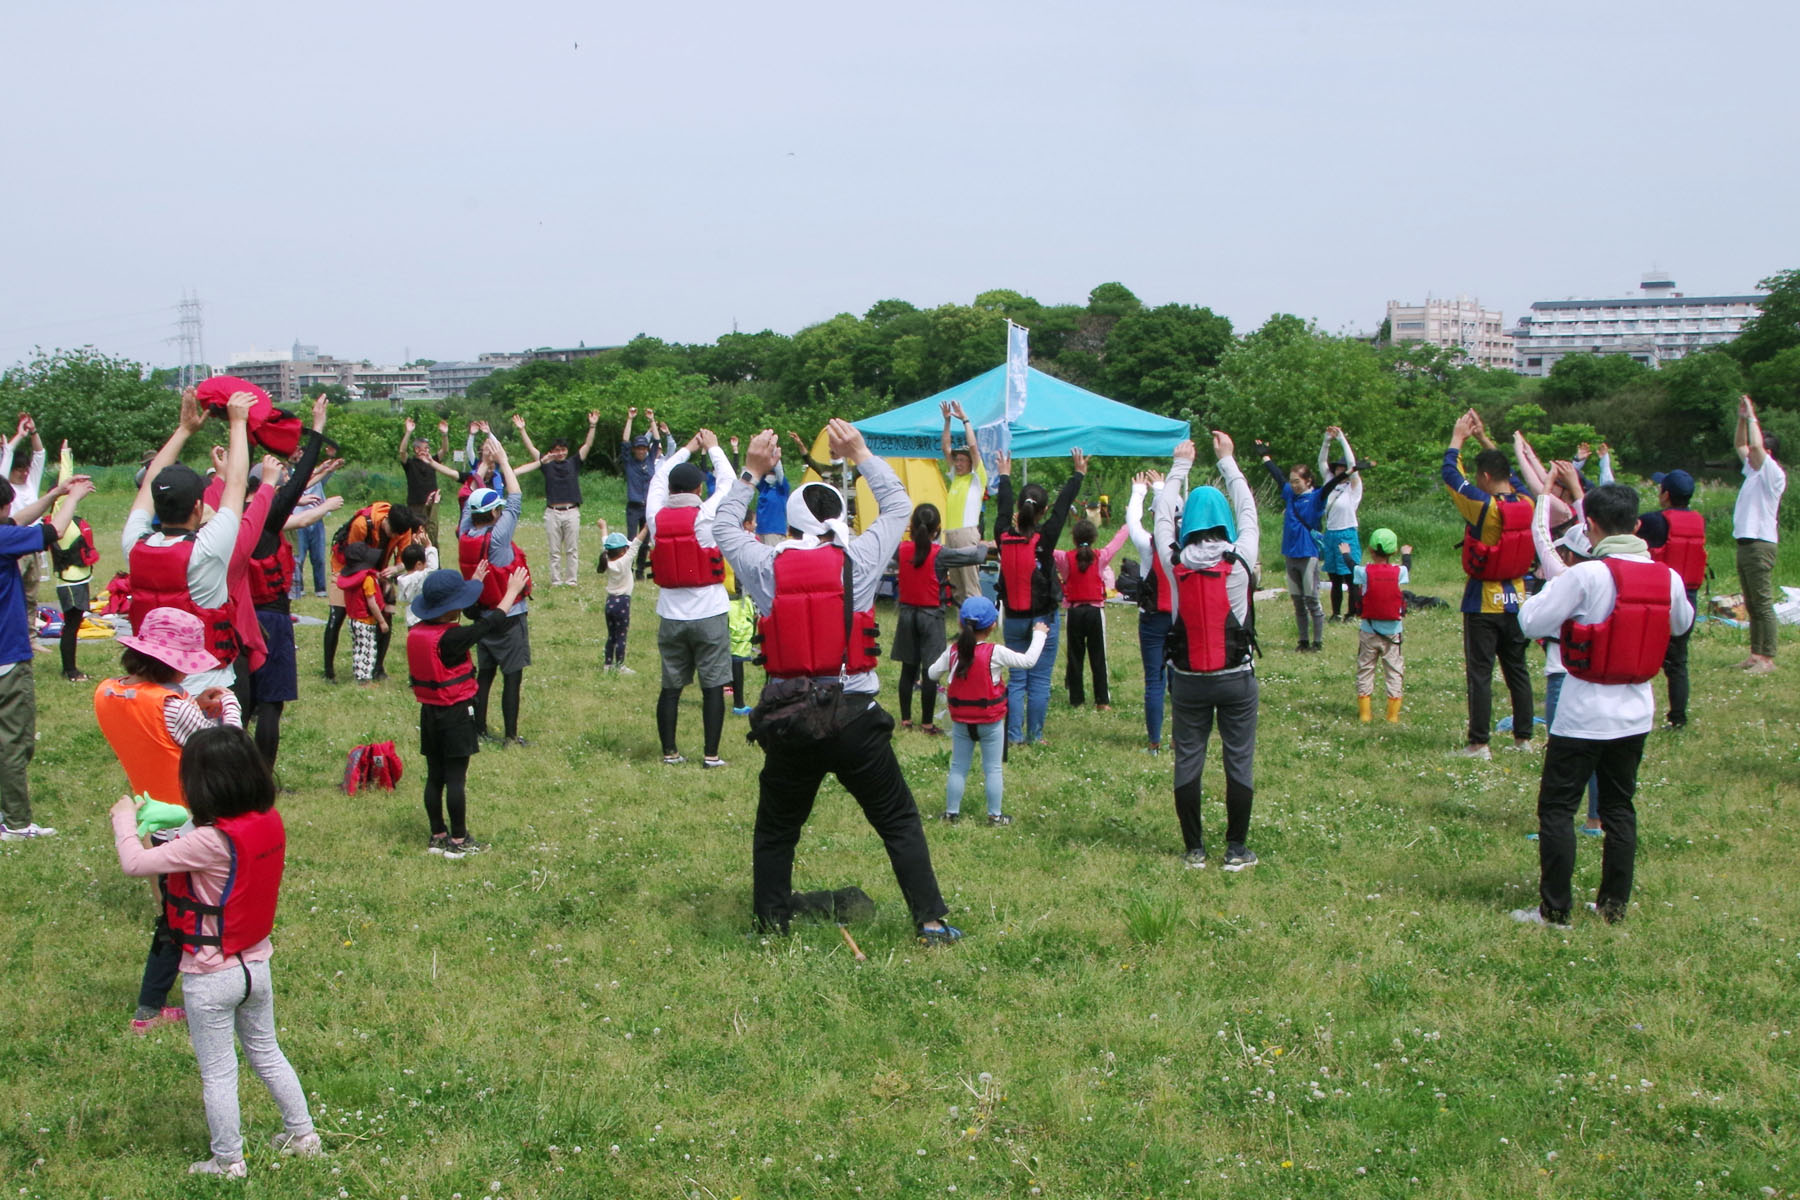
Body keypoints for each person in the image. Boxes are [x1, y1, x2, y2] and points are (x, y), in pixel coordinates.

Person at [715, 423, 960, 944]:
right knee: (898, 820)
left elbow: (724, 528)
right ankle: (931, 922)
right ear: (838, 518)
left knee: (777, 831)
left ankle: (771, 926)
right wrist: (863, 455)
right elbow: (898, 507)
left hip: (791, 719)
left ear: (794, 520)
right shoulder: (861, 559)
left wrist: (752, 472)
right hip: (853, 714)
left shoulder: (765, 564)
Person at [108, 726, 321, 1176]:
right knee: (267, 1052)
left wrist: (124, 818)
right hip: (255, 966)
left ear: (202, 786)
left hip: (210, 977)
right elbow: (207, 830)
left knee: (219, 1073)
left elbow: (134, 863)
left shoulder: (207, 842)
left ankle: (228, 1162)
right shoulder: (266, 822)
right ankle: (303, 1135)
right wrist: (174, 816)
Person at [1514, 482, 1693, 927]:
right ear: (1636, 525)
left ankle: (1555, 910)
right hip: (1634, 713)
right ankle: (1612, 907)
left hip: (1581, 714)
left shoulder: (1586, 574)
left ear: (1589, 526)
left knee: (1558, 808)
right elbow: (1681, 623)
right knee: (1618, 808)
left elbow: (1531, 620)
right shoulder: (1667, 577)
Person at [93, 608, 243, 1033]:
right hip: (192, 820)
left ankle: (160, 1001)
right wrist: (228, 704)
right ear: (171, 663)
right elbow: (227, 750)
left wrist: (195, 706)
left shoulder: (107, 692)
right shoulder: (173, 706)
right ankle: (152, 1007)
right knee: (187, 914)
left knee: (175, 909)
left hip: (151, 816)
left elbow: (154, 730)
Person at [1154, 430, 1262, 871]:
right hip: (1236, 679)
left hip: (1189, 681)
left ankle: (1194, 850)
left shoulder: (1174, 561)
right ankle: (1236, 849)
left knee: (1188, 760)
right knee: (1238, 761)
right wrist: (1228, 461)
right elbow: (1250, 512)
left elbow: (1162, 516)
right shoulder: (1241, 558)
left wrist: (1179, 467)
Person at [124, 391, 256, 702]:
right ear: (199, 507)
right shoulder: (207, 549)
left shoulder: (134, 543)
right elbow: (237, 483)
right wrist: (238, 423)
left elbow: (148, 484)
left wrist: (184, 430)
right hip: (206, 687)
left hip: (152, 689)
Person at [408, 564, 531, 857]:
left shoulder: (418, 631)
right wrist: (511, 592)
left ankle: (438, 834)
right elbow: (489, 625)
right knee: (456, 779)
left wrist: (474, 581)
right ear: (454, 609)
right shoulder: (452, 638)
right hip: (455, 714)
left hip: (429, 713)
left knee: (434, 776)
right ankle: (459, 841)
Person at [1, 471, 95, 840]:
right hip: (7, 657)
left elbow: (16, 522)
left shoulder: (4, 531)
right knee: (14, 742)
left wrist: (54, 492)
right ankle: (16, 823)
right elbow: (52, 532)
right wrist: (71, 498)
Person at [244, 396, 336, 768]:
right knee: (270, 705)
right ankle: (263, 777)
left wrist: (244, 428)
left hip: (238, 618)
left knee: (239, 701)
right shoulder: (266, 515)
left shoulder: (229, 512)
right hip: (271, 619)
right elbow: (298, 481)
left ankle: (232, 774)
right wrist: (316, 428)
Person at [1444, 408, 1537, 759]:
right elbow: (1513, 476)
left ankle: (1479, 742)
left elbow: (1451, 474)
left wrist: (1458, 438)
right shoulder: (1527, 502)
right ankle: (1523, 738)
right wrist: (1484, 438)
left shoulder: (1484, 507)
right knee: (1518, 669)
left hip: (1484, 600)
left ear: (1484, 476)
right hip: (1519, 598)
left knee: (1480, 673)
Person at [644, 429, 735, 767]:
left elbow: (656, 480)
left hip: (671, 613)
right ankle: (711, 755)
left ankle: (670, 752)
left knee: (671, 687)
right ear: (699, 489)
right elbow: (727, 483)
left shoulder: (656, 517)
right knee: (713, 686)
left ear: (671, 489)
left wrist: (685, 449)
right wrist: (713, 448)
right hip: (709, 611)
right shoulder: (706, 516)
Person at [993, 447, 1086, 746]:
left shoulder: (1003, 535)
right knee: (1040, 679)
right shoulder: (1044, 539)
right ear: (1042, 512)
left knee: (1018, 679)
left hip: (1014, 619)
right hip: (1042, 620)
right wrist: (1078, 474)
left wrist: (1004, 476)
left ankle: (1014, 735)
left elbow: (1003, 509)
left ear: (1020, 509)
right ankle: (1035, 736)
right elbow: (1063, 506)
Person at [1529, 466, 1603, 837]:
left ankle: (1556, 823)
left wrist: (1545, 490)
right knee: (1596, 751)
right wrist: (1576, 490)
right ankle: (1595, 819)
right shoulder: (1609, 575)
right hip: (1598, 675)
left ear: (1570, 555)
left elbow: (1540, 533)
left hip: (1563, 673)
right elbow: (1599, 530)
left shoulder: (1564, 576)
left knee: (1562, 752)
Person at [928, 596, 1046, 825]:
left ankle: (951, 814)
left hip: (962, 720)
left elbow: (933, 673)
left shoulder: (953, 651)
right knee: (992, 769)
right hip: (990, 722)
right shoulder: (995, 652)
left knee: (958, 767)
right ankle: (995, 815)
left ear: (961, 624)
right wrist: (1040, 633)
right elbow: (1028, 661)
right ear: (993, 625)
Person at [457, 436, 534, 747]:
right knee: (512, 678)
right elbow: (515, 498)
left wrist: (483, 466)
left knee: (485, 677)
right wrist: (501, 461)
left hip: (482, 615)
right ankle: (511, 736)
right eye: (498, 510)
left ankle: (478, 729)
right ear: (491, 515)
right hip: (509, 615)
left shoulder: (465, 533)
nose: (502, 513)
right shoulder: (498, 538)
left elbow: (469, 500)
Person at [892, 502, 988, 734]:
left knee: (908, 669)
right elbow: (975, 556)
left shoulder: (901, 549)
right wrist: (983, 545)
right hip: (931, 615)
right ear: (937, 529)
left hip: (906, 614)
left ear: (912, 526)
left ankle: (905, 720)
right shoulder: (940, 554)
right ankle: (927, 723)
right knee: (930, 671)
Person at [1256, 441, 1348, 652]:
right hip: (1290, 553)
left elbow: (1330, 486)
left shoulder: (1316, 497)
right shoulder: (1290, 494)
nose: (1294, 485)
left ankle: (1317, 642)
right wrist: (1266, 457)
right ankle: (1303, 641)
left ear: (1308, 481)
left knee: (1311, 600)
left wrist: (1350, 471)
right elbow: (1278, 477)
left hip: (1308, 555)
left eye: (1298, 482)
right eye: (1292, 482)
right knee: (1297, 602)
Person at [322, 501, 421, 682]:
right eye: (394, 533)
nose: (397, 536)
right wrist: (367, 583)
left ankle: (378, 668)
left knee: (388, 612)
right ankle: (328, 671)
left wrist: (396, 569)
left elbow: (404, 560)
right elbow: (353, 556)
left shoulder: (403, 528)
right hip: (347, 568)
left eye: (401, 534)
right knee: (337, 614)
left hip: (379, 570)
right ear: (386, 522)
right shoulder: (362, 524)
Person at [1638, 468, 1705, 726]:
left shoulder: (1654, 521)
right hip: (1688, 597)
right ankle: (1678, 717)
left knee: (1640, 656)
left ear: (1665, 495)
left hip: (1658, 596)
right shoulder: (1699, 521)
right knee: (1678, 662)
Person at [515, 410, 600, 587]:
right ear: (551, 452)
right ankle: (555, 580)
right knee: (554, 550)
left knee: (572, 548)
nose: (560, 453)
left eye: (563, 450)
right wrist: (522, 430)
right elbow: (532, 450)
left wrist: (592, 425)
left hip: (572, 511)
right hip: (552, 511)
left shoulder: (574, 463)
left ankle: (571, 580)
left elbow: (587, 445)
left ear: (567, 451)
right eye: (557, 450)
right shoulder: (547, 464)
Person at [1732, 395, 1785, 675]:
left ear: (1767, 454)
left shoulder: (1771, 474)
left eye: (1756, 452)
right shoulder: (1752, 472)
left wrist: (1752, 415)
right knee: (1751, 602)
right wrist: (1741, 418)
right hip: (1746, 544)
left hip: (1760, 544)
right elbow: (1741, 444)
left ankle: (1767, 658)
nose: (1748, 455)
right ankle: (1756, 654)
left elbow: (1753, 445)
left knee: (1762, 603)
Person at [1056, 515, 1129, 709]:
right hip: (1095, 611)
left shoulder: (1064, 558)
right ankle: (1102, 700)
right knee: (1098, 656)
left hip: (1074, 611)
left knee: (1074, 655)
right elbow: (1116, 543)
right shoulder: (1101, 557)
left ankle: (1076, 699)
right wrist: (1128, 523)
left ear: (1073, 539)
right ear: (1095, 538)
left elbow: (1048, 550)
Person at [1125, 470, 1173, 752]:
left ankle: (1154, 742)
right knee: (1180, 682)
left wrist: (1139, 491)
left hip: (1152, 618)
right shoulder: (1185, 546)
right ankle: (1181, 739)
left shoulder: (1148, 545)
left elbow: (1132, 522)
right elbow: (1174, 506)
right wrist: (1161, 487)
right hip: (1180, 618)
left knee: (1154, 680)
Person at [47, 439, 100, 681]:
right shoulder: (60, 513)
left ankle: (70, 667)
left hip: (78, 580)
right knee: (71, 626)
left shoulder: (69, 517)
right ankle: (70, 670)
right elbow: (63, 482)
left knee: (74, 624)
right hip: (69, 582)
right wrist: (66, 454)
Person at [1351, 528, 1408, 723]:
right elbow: (1407, 567)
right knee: (1394, 671)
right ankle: (1392, 716)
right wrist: (1406, 555)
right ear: (1394, 551)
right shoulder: (1399, 571)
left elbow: (1352, 567)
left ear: (1370, 549)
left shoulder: (1364, 572)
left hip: (1369, 630)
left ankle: (1365, 714)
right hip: (1393, 633)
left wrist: (1344, 553)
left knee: (1365, 669)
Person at [939, 400, 988, 605]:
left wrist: (965, 420)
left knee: (970, 583)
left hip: (966, 533)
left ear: (970, 462)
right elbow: (945, 447)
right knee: (957, 585)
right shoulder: (956, 478)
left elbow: (974, 448)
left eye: (962, 460)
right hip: (950, 534)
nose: (958, 464)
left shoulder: (977, 478)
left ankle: (976, 626)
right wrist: (947, 422)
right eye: (956, 460)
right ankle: (963, 628)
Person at [1319, 426, 1365, 623]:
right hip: (1330, 534)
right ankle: (1336, 613)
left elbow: (1352, 463)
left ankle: (1352, 613)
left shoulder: (1353, 488)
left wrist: (1342, 439)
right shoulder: (1330, 484)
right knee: (1334, 578)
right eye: (1337, 468)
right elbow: (1321, 461)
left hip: (1347, 533)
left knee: (1351, 577)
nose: (1340, 470)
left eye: (1343, 468)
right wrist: (1326, 441)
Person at [3, 413, 47, 612]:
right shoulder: (3, 485)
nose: (24, 472)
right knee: (12, 592)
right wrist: (19, 435)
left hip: (32, 541)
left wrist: (33, 431)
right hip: (13, 540)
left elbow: (39, 455)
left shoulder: (30, 484)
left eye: (26, 469)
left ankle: (31, 636)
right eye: (19, 469)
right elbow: (8, 452)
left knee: (31, 594)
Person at [621, 406, 671, 579]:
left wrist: (652, 420)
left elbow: (657, 441)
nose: (641, 450)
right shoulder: (629, 462)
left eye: (644, 448)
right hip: (633, 506)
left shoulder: (651, 460)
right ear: (635, 449)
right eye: (639, 448)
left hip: (647, 506)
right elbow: (625, 441)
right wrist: (630, 419)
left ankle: (641, 570)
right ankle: (627, 567)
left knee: (645, 541)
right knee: (631, 538)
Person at [595, 517, 648, 673]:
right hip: (622, 603)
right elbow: (637, 542)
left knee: (611, 635)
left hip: (609, 602)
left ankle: (607, 665)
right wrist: (646, 528)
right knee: (621, 635)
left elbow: (605, 541)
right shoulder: (625, 562)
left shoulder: (608, 560)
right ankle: (620, 666)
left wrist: (603, 527)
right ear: (624, 550)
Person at [397, 416, 454, 546]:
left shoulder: (432, 462)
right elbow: (402, 451)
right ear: (417, 450)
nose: (428, 450)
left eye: (428, 448)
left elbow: (444, 450)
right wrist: (408, 432)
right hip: (415, 505)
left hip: (432, 504)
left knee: (432, 534)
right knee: (416, 537)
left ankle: (433, 559)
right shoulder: (410, 464)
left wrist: (444, 435)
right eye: (425, 448)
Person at [336, 544, 388, 685]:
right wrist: (382, 621)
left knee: (358, 648)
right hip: (365, 621)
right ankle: (365, 681)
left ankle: (358, 675)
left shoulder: (351, 578)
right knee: (368, 650)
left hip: (353, 620)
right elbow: (372, 603)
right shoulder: (367, 580)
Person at [394, 540, 439, 628]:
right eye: (425, 562)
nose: (427, 565)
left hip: (410, 618)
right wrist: (429, 546)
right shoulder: (418, 577)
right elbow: (433, 567)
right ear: (418, 564)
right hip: (423, 618)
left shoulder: (402, 579)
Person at [753, 458, 791, 546]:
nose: (769, 475)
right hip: (760, 530)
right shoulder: (764, 487)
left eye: (772, 472)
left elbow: (779, 471)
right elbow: (752, 474)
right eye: (768, 472)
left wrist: (774, 452)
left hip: (774, 531)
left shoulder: (782, 489)